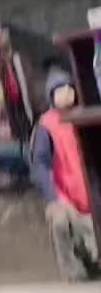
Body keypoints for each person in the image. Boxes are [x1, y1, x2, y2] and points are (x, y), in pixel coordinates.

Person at [31, 66, 99, 281]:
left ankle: (93, 261)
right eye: (60, 90)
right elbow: (40, 165)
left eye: (70, 88)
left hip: (90, 194)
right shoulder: (46, 125)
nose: (67, 93)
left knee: (92, 238)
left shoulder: (84, 116)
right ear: (51, 95)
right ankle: (72, 271)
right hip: (65, 196)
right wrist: (53, 197)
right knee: (59, 219)